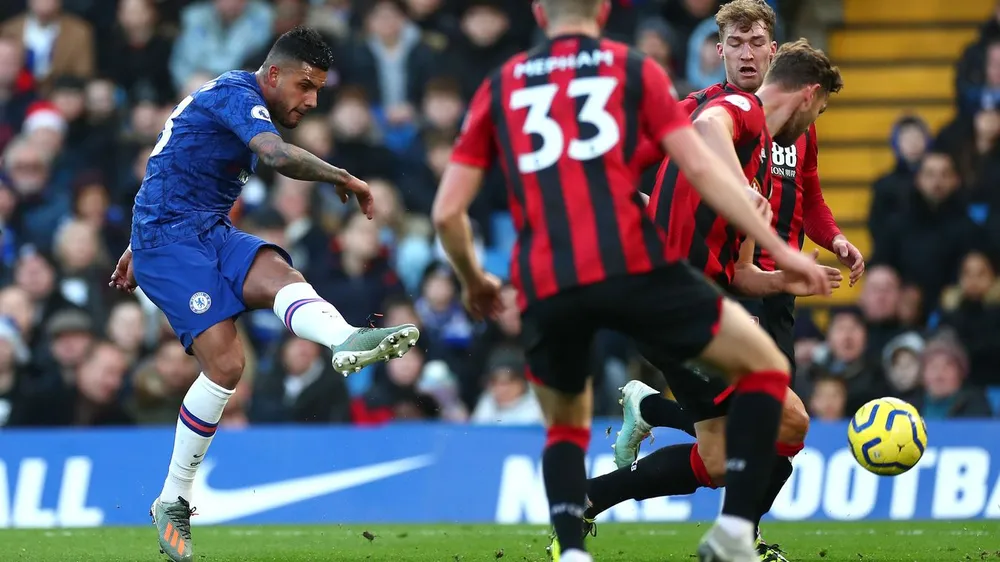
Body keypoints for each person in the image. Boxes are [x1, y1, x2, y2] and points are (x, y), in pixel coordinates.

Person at [431, 1, 831, 561]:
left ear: (539, 12)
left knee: (568, 426)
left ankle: (572, 546)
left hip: (547, 270)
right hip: (637, 272)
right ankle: (736, 535)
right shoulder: (635, 69)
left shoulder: (502, 82)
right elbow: (694, 159)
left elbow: (448, 213)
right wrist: (754, 214)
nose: (746, 53)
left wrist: (474, 278)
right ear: (602, 9)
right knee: (768, 382)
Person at [108, 27, 420, 562]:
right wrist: (341, 175)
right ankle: (174, 497)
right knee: (227, 364)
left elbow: (172, 155)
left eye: (318, 90)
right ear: (273, 74)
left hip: (202, 228)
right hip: (170, 239)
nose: (311, 100)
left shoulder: (231, 99)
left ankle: (345, 339)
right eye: (305, 86)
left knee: (276, 268)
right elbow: (275, 158)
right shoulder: (238, 94)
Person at [586, 35, 844, 562]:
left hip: (693, 305)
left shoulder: (760, 162)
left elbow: (743, 273)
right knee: (787, 419)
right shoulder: (741, 111)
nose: (814, 120)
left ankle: (591, 493)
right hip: (676, 305)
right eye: (820, 107)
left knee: (720, 457)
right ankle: (733, 541)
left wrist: (788, 278)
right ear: (808, 95)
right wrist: (740, 187)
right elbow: (708, 126)